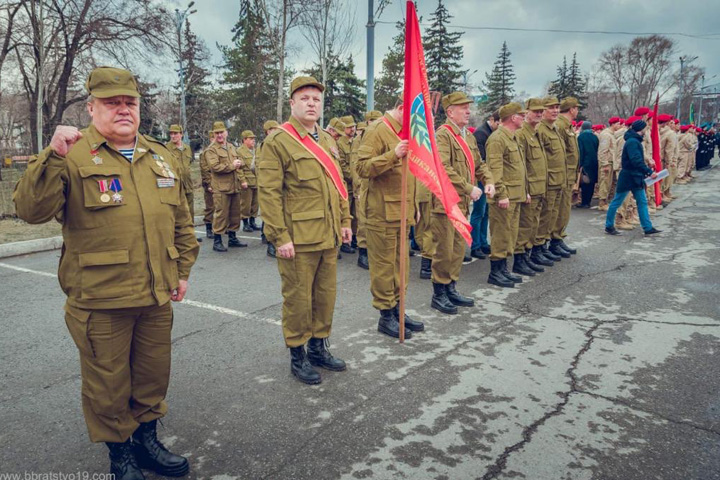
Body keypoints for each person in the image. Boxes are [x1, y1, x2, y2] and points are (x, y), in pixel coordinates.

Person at [13, 66, 199, 479]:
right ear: (92, 107)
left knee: (152, 376)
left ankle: (147, 440)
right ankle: (121, 455)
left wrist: (182, 271)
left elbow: (183, 221)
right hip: (101, 300)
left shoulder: (161, 156)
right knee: (108, 384)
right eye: (112, 102)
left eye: (129, 102)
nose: (122, 109)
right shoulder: (73, 154)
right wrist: (52, 156)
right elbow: (30, 210)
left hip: (155, 297)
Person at [257, 76, 351, 385]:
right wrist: (279, 236)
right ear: (293, 103)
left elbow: (338, 186)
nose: (312, 103)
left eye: (316, 99)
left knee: (325, 296)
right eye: (305, 98)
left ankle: (319, 347)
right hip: (297, 238)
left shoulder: (326, 140)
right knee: (298, 299)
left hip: (327, 235)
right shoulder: (278, 142)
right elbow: (269, 194)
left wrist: (346, 221)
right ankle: (297, 355)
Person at [356, 97, 424, 338]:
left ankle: (398, 309)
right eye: (413, 115)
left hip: (401, 211)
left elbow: (409, 174)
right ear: (401, 108)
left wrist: (413, 204)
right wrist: (392, 155)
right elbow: (362, 168)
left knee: (400, 265)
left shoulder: (403, 132)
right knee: (385, 267)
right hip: (381, 212)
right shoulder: (377, 130)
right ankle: (386, 315)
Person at [431, 92, 495, 310]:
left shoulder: (467, 136)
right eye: (463, 107)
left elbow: (479, 163)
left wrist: (488, 180)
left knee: (458, 249)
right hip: (445, 205)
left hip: (461, 204)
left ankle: (451, 287)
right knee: (444, 250)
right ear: (450, 112)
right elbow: (443, 168)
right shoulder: (443, 135)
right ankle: (439, 293)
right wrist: (469, 188)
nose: (468, 111)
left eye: (468, 107)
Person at [485, 102, 528, 288]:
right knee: (501, 234)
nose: (524, 118)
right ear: (513, 117)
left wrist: (525, 191)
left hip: (515, 194)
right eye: (521, 115)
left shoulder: (513, 137)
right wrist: (501, 194)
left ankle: (503, 269)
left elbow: (519, 168)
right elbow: (495, 170)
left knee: (510, 234)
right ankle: (496, 272)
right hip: (504, 196)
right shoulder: (497, 139)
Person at [605, 119, 661, 236]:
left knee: (642, 201)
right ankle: (609, 226)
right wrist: (649, 172)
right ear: (641, 129)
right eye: (645, 128)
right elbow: (635, 160)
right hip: (629, 176)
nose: (646, 130)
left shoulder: (634, 141)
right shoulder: (632, 142)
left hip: (635, 176)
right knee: (617, 201)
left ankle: (647, 227)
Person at [513, 98, 548, 277]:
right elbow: (522, 166)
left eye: (541, 111)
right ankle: (519, 259)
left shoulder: (536, 132)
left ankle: (527, 256)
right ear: (527, 113)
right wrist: (525, 189)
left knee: (533, 224)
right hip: (530, 189)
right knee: (525, 225)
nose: (539, 114)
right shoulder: (522, 134)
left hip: (539, 187)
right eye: (536, 111)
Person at [205, 121, 249, 252]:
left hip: (234, 186)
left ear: (226, 133)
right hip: (221, 188)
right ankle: (217, 240)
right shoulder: (211, 150)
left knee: (235, 213)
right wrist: (232, 165)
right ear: (214, 134)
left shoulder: (231, 147)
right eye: (217, 133)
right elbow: (215, 167)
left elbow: (239, 163)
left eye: (222, 132)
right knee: (221, 214)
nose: (220, 135)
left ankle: (232, 238)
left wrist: (240, 164)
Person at [535, 96, 565, 264]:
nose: (555, 110)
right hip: (547, 182)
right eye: (551, 107)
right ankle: (538, 248)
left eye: (557, 107)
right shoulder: (541, 130)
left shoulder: (554, 129)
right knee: (544, 216)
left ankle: (545, 245)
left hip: (558, 180)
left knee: (552, 215)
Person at [352, 111, 382, 270]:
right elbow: (355, 164)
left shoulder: (379, 135)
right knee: (363, 219)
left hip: (376, 184)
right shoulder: (360, 139)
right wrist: (357, 187)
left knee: (374, 218)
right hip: (363, 184)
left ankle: (372, 250)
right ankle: (362, 252)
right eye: (375, 120)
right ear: (369, 122)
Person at [552, 97, 580, 256]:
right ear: (571, 109)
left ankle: (558, 238)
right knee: (561, 210)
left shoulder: (566, 125)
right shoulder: (561, 126)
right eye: (576, 108)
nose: (577, 111)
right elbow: (559, 154)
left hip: (568, 174)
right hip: (563, 175)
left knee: (564, 210)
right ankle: (555, 240)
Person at [470, 110, 499, 259]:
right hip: (481, 179)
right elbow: (481, 160)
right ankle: (475, 244)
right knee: (478, 212)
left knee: (486, 212)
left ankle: (482, 241)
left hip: (488, 179)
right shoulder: (481, 133)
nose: (499, 127)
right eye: (498, 123)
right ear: (492, 120)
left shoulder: (490, 132)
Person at [166, 124, 202, 242]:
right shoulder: (166, 148)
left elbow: (189, 164)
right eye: (171, 133)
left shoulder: (187, 148)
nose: (173, 136)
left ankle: (191, 236)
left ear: (181, 134)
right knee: (176, 212)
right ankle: (176, 237)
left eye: (176, 133)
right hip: (175, 186)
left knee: (189, 211)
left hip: (188, 184)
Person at [259, 120, 280, 257]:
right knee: (271, 214)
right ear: (268, 131)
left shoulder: (278, 144)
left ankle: (272, 241)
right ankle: (271, 245)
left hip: (278, 183)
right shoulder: (266, 145)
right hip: (268, 184)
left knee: (276, 215)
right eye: (273, 129)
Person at [238, 130, 261, 232]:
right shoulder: (239, 151)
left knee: (255, 204)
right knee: (246, 204)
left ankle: (253, 221)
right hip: (247, 181)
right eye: (251, 139)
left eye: (254, 139)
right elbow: (239, 169)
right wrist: (242, 180)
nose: (253, 141)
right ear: (244, 140)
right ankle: (246, 223)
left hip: (256, 181)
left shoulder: (256, 151)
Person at [597, 118, 620, 211]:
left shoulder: (612, 134)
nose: (619, 126)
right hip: (607, 162)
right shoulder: (606, 135)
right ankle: (602, 202)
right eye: (618, 124)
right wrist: (605, 163)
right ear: (613, 124)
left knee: (609, 183)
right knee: (605, 182)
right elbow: (603, 150)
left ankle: (606, 200)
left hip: (611, 162)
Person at [577, 121, 599, 208]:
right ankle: (588, 201)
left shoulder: (580, 137)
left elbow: (580, 151)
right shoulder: (595, 137)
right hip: (594, 162)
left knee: (584, 182)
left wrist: (580, 164)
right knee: (591, 183)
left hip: (585, 162)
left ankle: (584, 202)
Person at [199, 130, 216, 238]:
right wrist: (209, 184)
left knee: (221, 207)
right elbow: (205, 170)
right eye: (213, 138)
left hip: (221, 184)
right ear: (210, 139)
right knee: (210, 207)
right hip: (210, 184)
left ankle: (220, 227)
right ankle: (209, 228)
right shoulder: (206, 152)